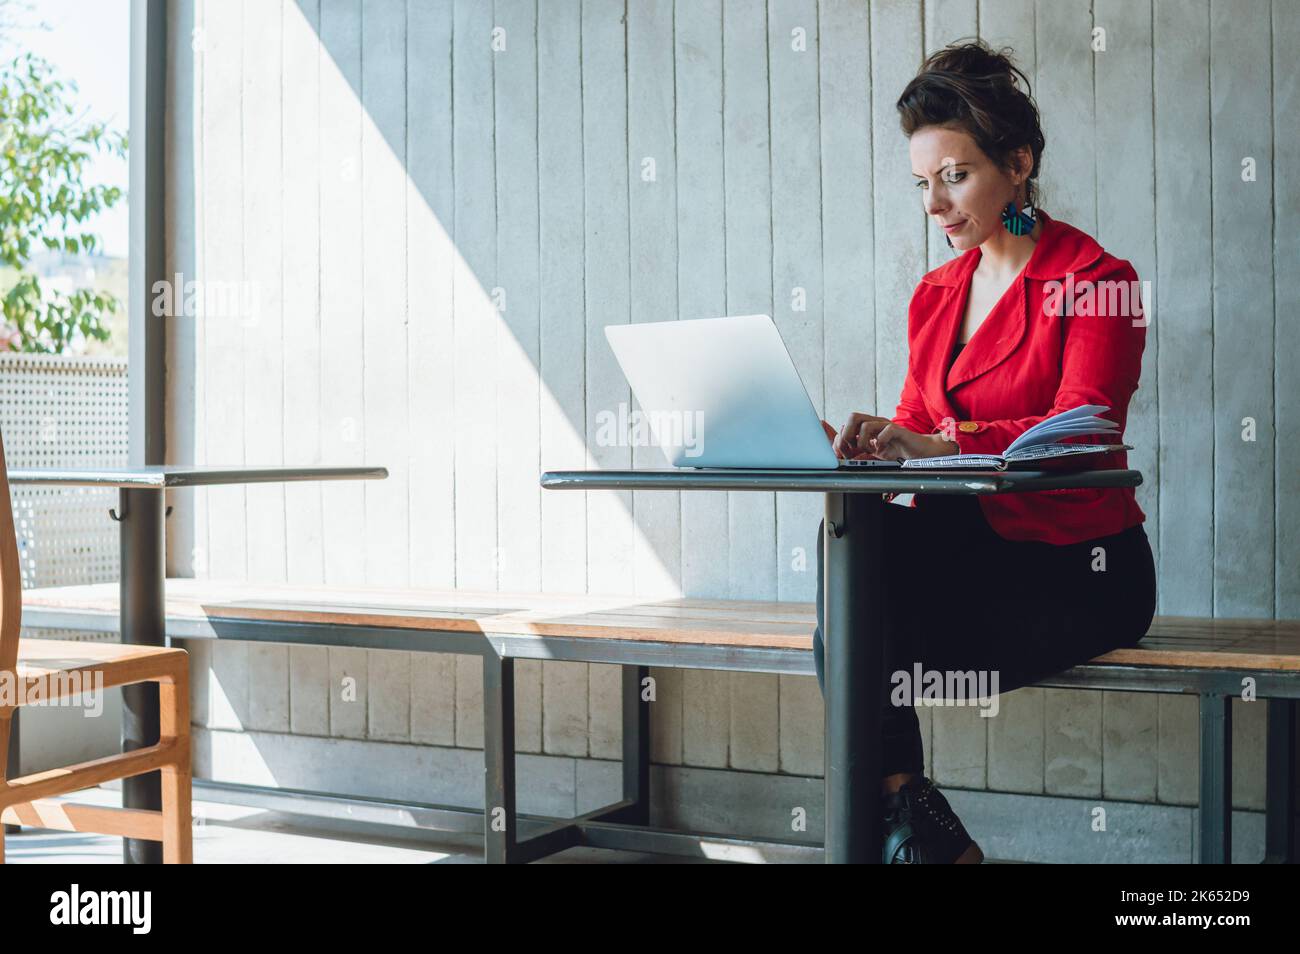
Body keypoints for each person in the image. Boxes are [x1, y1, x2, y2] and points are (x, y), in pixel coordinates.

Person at [812, 39, 1157, 864]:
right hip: (971, 556)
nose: (935, 204)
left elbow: (1084, 429)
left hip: (1080, 569)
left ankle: (904, 826)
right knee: (852, 560)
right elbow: (915, 421)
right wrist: (868, 451)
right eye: (921, 184)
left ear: (1019, 162)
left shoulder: (1100, 280)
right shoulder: (934, 295)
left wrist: (935, 443)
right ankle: (915, 822)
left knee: (852, 640)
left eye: (955, 176)